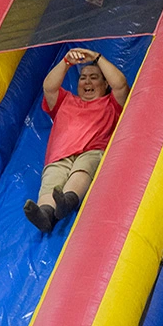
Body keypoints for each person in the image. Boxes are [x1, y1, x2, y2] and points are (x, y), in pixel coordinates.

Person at [24, 47, 129, 233]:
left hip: (92, 151)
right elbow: (49, 87)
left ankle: (68, 200)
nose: (87, 81)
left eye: (94, 77)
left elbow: (120, 84)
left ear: (105, 84)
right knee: (51, 178)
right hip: (59, 155)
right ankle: (45, 215)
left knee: (84, 168)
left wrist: (97, 57)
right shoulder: (65, 100)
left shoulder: (111, 104)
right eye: (83, 77)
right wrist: (66, 62)